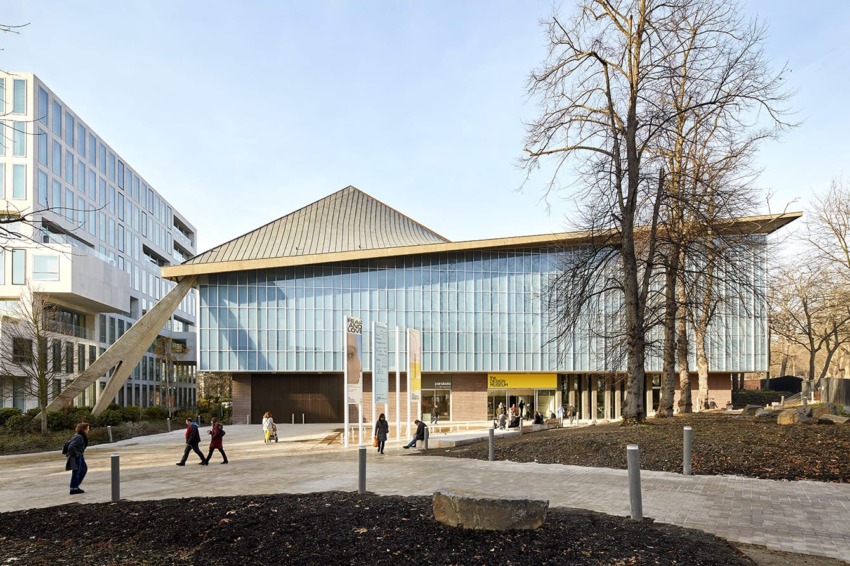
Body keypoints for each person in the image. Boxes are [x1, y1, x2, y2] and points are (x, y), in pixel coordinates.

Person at [65, 422, 90, 495]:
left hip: (78, 455)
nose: (88, 430)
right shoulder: (79, 437)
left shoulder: (80, 436)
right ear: (84, 429)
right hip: (76, 455)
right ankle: (73, 488)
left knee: (83, 469)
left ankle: (75, 486)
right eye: (87, 428)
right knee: (77, 471)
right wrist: (77, 454)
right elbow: (71, 446)